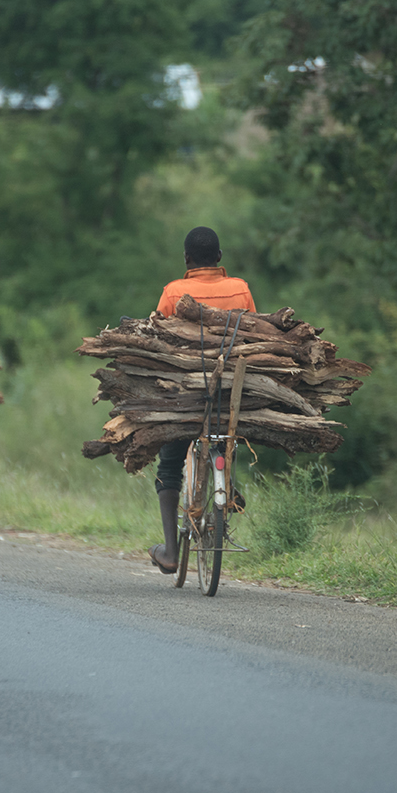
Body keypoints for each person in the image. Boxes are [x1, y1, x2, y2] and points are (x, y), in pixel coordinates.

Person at [148, 226, 256, 573]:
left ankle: (169, 551)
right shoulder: (240, 289)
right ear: (220, 259)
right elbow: (254, 334)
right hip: (228, 396)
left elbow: (157, 340)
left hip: (186, 398)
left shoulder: (174, 291)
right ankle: (227, 482)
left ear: (187, 260)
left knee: (169, 465)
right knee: (226, 435)